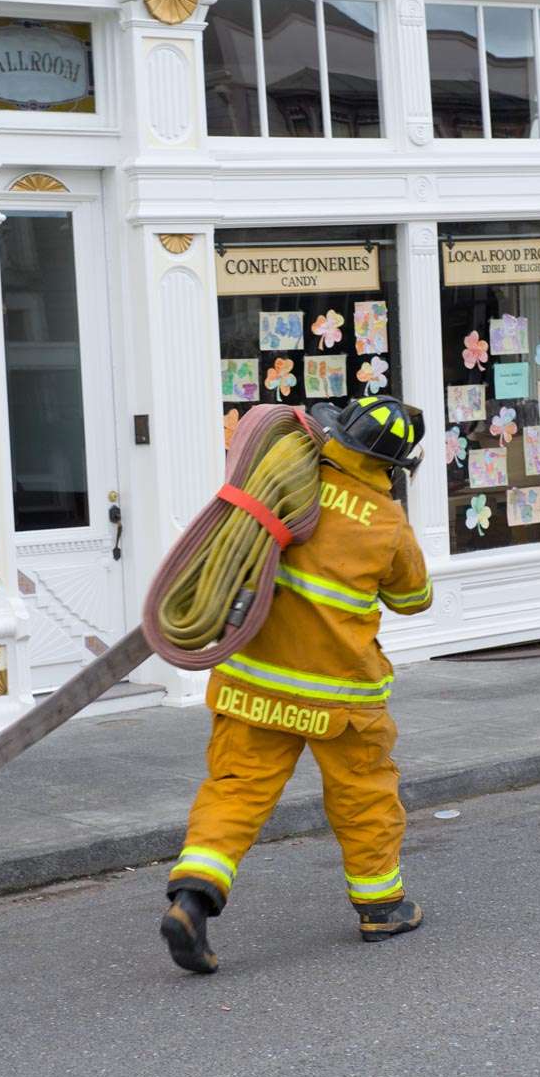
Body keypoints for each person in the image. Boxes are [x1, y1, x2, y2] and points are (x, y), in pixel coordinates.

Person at [160, 394, 433, 974]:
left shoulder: (285, 484)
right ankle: (382, 907)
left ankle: (192, 899)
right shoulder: (387, 521)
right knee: (365, 796)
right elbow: (414, 599)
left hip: (252, 687)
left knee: (235, 791)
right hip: (341, 699)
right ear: (393, 466)